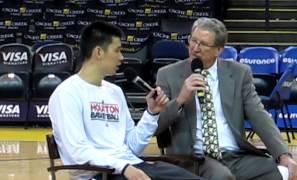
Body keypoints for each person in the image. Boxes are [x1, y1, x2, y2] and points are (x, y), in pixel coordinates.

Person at [48, 21, 204, 180]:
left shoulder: (114, 92)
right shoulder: (67, 93)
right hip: (100, 174)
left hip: (132, 166)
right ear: (99, 52)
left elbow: (132, 147)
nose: (122, 57)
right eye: (117, 50)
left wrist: (151, 113)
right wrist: (122, 167)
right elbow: (77, 152)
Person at [156, 17, 297, 180]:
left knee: (290, 173)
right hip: (194, 159)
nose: (194, 48)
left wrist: (283, 155)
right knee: (221, 177)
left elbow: (259, 116)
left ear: (219, 50)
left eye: (202, 44)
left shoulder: (239, 73)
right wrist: (180, 99)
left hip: (236, 157)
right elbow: (157, 124)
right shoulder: (167, 74)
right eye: (193, 40)